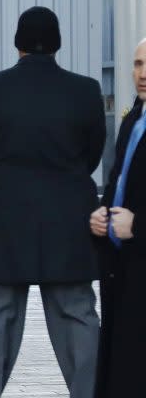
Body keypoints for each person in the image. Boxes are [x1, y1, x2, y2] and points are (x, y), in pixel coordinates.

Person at [0, 6, 104, 397]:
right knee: (77, 315)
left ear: (17, 43)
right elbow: (92, 154)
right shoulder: (86, 90)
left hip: (4, 218)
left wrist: (1, 183)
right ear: (57, 43)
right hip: (69, 219)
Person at [91, 38, 146, 398]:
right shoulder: (133, 119)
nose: (142, 74)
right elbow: (118, 179)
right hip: (122, 265)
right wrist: (103, 211)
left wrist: (137, 225)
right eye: (138, 64)